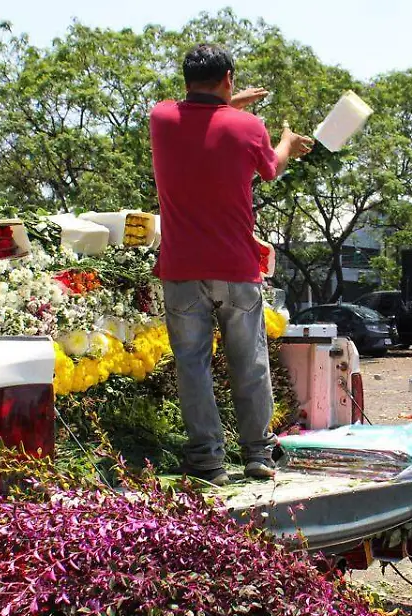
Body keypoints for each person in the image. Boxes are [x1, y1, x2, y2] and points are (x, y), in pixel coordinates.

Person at [149, 44, 315, 487]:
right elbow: (271, 169)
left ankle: (207, 460)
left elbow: (191, 114)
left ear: (186, 80)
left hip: (182, 269)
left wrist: (226, 104)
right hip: (237, 267)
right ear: (228, 77)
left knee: (192, 364)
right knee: (250, 362)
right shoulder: (250, 127)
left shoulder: (160, 120)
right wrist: (286, 143)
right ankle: (258, 455)